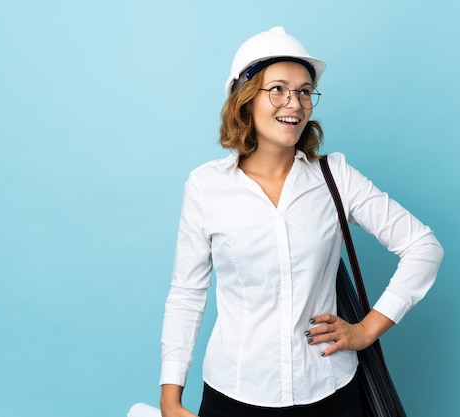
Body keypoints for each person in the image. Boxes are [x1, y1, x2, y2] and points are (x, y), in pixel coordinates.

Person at [159, 26, 444, 417]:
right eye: (277, 88)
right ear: (245, 98)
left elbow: (423, 247)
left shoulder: (335, 177)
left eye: (305, 91)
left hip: (330, 392)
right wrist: (170, 397)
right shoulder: (206, 187)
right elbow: (186, 295)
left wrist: (365, 330)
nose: (293, 102)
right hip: (235, 394)